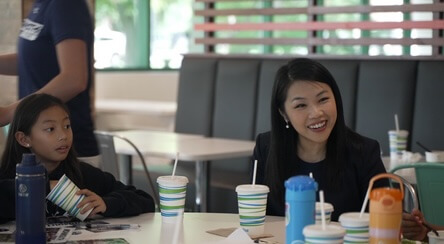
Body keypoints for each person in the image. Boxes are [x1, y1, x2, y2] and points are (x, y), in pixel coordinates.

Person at [253, 58, 387, 221]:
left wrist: (407, 225)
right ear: (284, 113)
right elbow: (256, 217)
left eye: (323, 99)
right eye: (301, 105)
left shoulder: (365, 152)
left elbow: (386, 219)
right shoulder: (266, 148)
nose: (316, 113)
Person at [0, 94, 155, 223]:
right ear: (23, 139)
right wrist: (43, 187)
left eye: (67, 126)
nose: (63, 136)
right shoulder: (7, 176)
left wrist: (106, 203)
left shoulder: (82, 174)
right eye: (50, 129)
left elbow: (145, 200)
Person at [0, 0, 99, 164]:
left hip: (66, 149)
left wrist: (9, 113)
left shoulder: (66, 5)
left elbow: (74, 79)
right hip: (37, 145)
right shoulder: (40, 5)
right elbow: (31, 61)